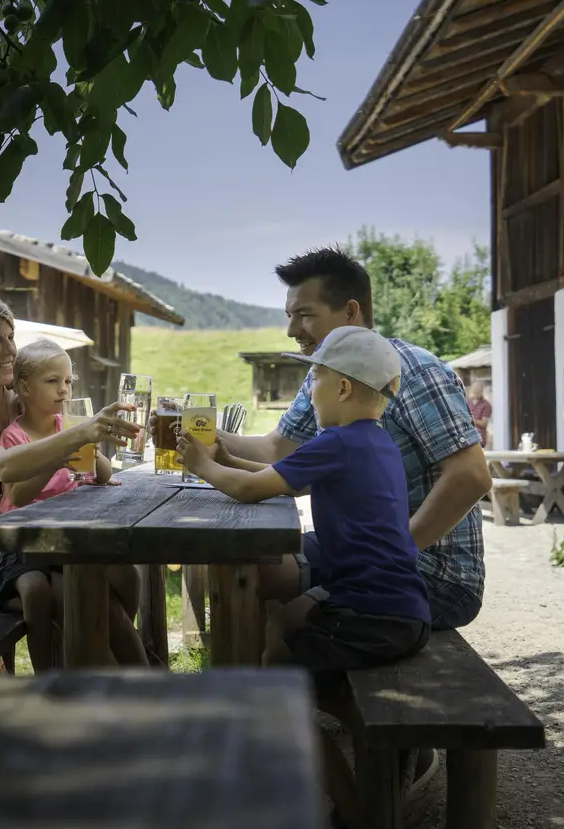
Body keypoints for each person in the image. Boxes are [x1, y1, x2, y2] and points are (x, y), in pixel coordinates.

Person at [217, 247, 489, 797]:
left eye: (304, 314)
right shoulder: (329, 376)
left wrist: (394, 554)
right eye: (290, 314)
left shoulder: (412, 370)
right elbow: (277, 447)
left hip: (433, 569)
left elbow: (470, 476)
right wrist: (207, 440)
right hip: (379, 556)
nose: (291, 327)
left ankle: (333, 731)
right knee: (254, 577)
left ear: (353, 314)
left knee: (277, 603)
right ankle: (260, 732)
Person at [178, 325, 431, 829]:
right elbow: (271, 478)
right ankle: (334, 719)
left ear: (341, 387)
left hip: (370, 613)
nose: (308, 390)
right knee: (281, 629)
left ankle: (356, 810)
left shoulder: (336, 442)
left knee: (280, 687)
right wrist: (226, 458)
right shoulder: (373, 442)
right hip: (400, 606)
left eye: (313, 379)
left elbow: (251, 492)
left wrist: (202, 466)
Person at [0, 292, 142, 665]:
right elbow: (3, 467)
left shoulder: (24, 404)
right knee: (76, 594)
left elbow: (79, 456)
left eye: (11, 337)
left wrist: (90, 443)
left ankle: (127, 680)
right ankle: (99, 686)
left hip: (35, 545)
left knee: (114, 577)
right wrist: (84, 431)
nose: (10, 350)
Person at [0, 338, 147, 669]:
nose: (63, 390)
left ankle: (132, 666)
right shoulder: (15, 437)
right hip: (34, 547)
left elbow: (102, 475)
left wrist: (94, 442)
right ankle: (110, 671)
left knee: (128, 577)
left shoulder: (71, 426)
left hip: (73, 540)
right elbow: (17, 496)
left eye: (67, 381)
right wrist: (56, 457)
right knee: (90, 599)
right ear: (24, 387)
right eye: (52, 381)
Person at [467, 380, 492, 449]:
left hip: (479, 440)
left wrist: (471, 419)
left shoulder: (486, 405)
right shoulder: (467, 402)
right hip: (467, 439)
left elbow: (484, 423)